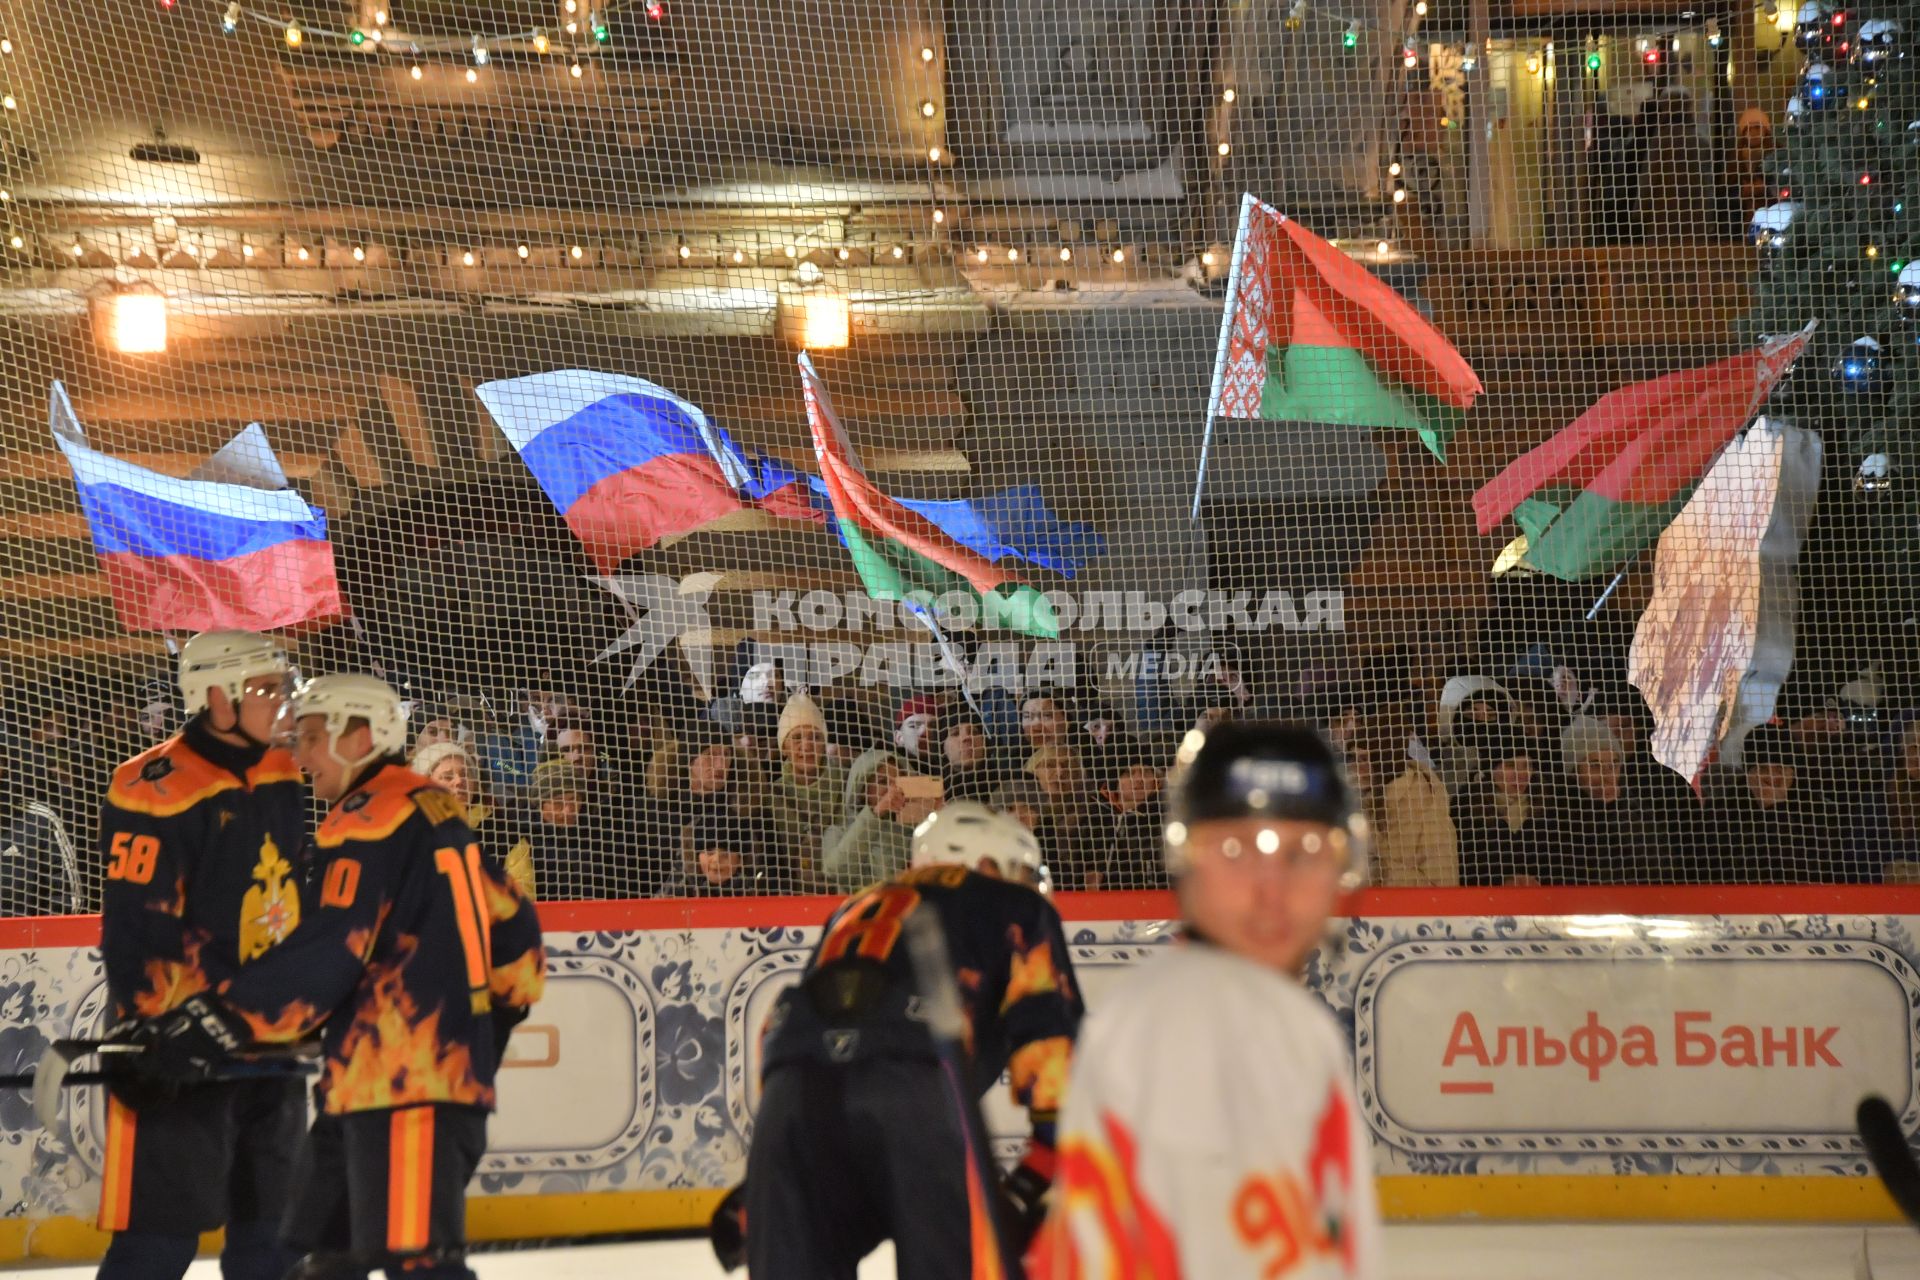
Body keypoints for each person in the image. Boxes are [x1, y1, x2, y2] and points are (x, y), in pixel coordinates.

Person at [121, 673, 546, 1280]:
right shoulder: (430, 809)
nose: (299, 755)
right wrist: (478, 1033)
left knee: (417, 1263)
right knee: (325, 1257)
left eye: (314, 737)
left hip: (404, 1094)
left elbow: (328, 953)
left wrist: (216, 1021)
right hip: (378, 1087)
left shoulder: (366, 818)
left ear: (364, 736)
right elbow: (517, 937)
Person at [1031, 721, 1382, 1279]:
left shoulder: (1295, 1024)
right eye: (1236, 849)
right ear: (1184, 862)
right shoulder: (1167, 1032)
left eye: (1306, 851)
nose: (1272, 889)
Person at [743, 801, 1083, 1279]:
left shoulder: (851, 908)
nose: (1027, 883)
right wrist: (1036, 1176)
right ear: (985, 862)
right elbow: (1053, 1047)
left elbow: (793, 1032)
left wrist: (753, 1194)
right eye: (1019, 870)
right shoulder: (1015, 906)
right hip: (911, 1087)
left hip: (790, 1103)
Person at [92, 630, 308, 1280]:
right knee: (158, 1244)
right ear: (217, 695)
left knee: (272, 1243)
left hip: (269, 1038)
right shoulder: (150, 786)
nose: (281, 702)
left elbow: (293, 893)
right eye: (265, 689)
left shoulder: (283, 767)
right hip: (182, 1043)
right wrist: (149, 1027)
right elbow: (136, 927)